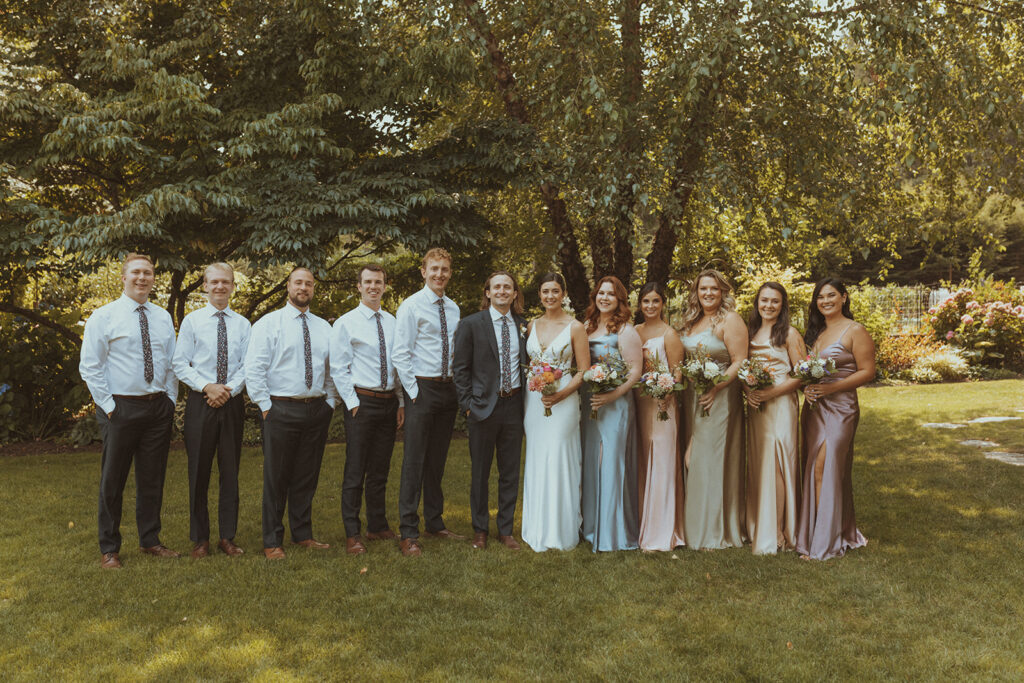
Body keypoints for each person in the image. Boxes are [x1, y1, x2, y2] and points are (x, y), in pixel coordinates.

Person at [79, 253, 179, 569]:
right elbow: (90, 367)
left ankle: (150, 540)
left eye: (148, 273)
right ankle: (109, 548)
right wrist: (109, 407)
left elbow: (172, 363)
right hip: (119, 408)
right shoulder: (104, 317)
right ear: (124, 277)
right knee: (113, 480)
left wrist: (171, 402)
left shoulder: (162, 317)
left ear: (153, 278)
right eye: (136, 272)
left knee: (152, 478)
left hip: (156, 408)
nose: (142, 278)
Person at [245, 267, 339, 560]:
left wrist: (330, 402)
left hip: (316, 409)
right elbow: (255, 368)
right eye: (298, 282)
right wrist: (265, 405)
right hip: (280, 408)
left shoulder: (324, 327)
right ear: (288, 286)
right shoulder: (268, 324)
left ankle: (303, 534)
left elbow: (332, 369)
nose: (303, 288)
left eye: (308, 284)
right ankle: (272, 539)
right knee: (278, 476)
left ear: (313, 289)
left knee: (306, 475)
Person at [171, 262, 251, 559]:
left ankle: (227, 537)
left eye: (225, 282)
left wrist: (227, 389)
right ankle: (200, 538)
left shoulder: (243, 324)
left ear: (232, 286)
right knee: (199, 471)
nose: (220, 286)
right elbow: (180, 363)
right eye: (214, 282)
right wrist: (208, 387)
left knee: (230, 471)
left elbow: (248, 366)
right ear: (205, 285)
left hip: (230, 402)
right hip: (200, 402)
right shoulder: (192, 322)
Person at [392, 248, 465, 557]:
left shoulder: (453, 308)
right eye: (434, 269)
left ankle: (435, 522)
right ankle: (408, 531)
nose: (439, 274)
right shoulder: (411, 306)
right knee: (414, 462)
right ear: (423, 271)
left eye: (444, 269)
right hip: (421, 389)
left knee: (437, 460)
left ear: (449, 273)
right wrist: (414, 394)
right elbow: (400, 353)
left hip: (448, 390)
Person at [796, 278, 875, 560]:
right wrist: (807, 385)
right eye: (820, 297)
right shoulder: (817, 334)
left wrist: (831, 388)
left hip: (841, 408)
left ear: (843, 297)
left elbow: (867, 371)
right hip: (815, 409)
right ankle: (829, 529)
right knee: (816, 468)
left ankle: (824, 541)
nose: (825, 301)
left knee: (825, 465)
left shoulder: (855, 330)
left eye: (831, 295)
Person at [330, 264, 405, 556]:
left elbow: (397, 364)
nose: (374, 286)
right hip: (361, 401)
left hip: (388, 402)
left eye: (379, 282)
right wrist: (352, 403)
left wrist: (399, 400)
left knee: (380, 468)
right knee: (355, 469)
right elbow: (339, 367)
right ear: (359, 287)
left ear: (385, 286)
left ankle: (377, 525)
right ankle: (352, 532)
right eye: (368, 282)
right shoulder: (347, 323)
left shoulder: (393, 321)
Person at [453, 271, 529, 550]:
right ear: (487, 292)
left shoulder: (524, 326)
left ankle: (506, 529)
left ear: (514, 293)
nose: (501, 291)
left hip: (514, 406)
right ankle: (480, 529)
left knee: (510, 471)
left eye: (507, 287)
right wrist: (468, 406)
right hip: (482, 408)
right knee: (480, 472)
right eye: (496, 287)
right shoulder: (472, 324)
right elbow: (460, 369)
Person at [521, 273, 590, 552]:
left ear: (564, 294)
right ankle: (536, 527)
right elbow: (529, 364)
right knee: (538, 457)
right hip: (535, 400)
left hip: (565, 399)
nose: (550, 296)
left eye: (555, 291)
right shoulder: (531, 325)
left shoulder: (575, 327)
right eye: (545, 291)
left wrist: (562, 393)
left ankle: (561, 530)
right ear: (540, 295)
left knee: (561, 456)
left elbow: (583, 370)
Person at [680, 269, 747, 550]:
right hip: (692, 397)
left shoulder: (730, 320)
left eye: (714, 289)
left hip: (719, 398)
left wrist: (716, 387)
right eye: (703, 288)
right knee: (692, 458)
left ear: (723, 292)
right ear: (696, 292)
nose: (708, 293)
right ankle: (696, 526)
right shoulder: (692, 322)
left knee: (710, 460)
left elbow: (740, 360)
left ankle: (714, 531)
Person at [580, 276, 643, 552]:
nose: (604, 298)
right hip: (589, 403)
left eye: (611, 294)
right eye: (601, 293)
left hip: (615, 405)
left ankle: (612, 533)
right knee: (591, 462)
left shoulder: (626, 331)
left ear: (620, 300)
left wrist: (611, 395)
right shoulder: (586, 327)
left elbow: (634, 372)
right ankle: (591, 527)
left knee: (611, 463)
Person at [743, 282, 804, 555]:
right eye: (764, 300)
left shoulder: (789, 334)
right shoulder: (750, 332)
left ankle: (780, 529)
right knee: (761, 464)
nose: (768, 306)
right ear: (757, 302)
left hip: (781, 405)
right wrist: (749, 391)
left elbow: (803, 374)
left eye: (775, 301)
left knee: (779, 462)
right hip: (758, 408)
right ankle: (760, 523)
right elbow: (742, 368)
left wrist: (770, 394)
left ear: (783, 305)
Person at [634, 282, 685, 552]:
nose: (650, 306)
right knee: (642, 460)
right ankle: (642, 523)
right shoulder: (634, 331)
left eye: (655, 301)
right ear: (639, 304)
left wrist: (666, 393)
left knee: (662, 460)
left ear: (662, 303)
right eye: (646, 301)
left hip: (662, 405)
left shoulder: (669, 334)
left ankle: (662, 531)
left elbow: (677, 372)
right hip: (638, 405)